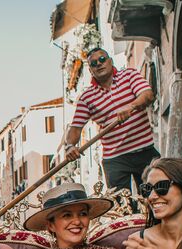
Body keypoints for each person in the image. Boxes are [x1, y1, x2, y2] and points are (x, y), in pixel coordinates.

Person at [62, 48, 157, 192]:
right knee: (121, 206)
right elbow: (75, 128)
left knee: (154, 194)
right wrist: (69, 146)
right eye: (93, 63)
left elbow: (148, 95)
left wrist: (131, 107)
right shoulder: (87, 98)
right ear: (91, 70)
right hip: (115, 158)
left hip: (144, 151)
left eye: (102, 59)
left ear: (110, 61)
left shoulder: (129, 76)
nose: (99, 64)